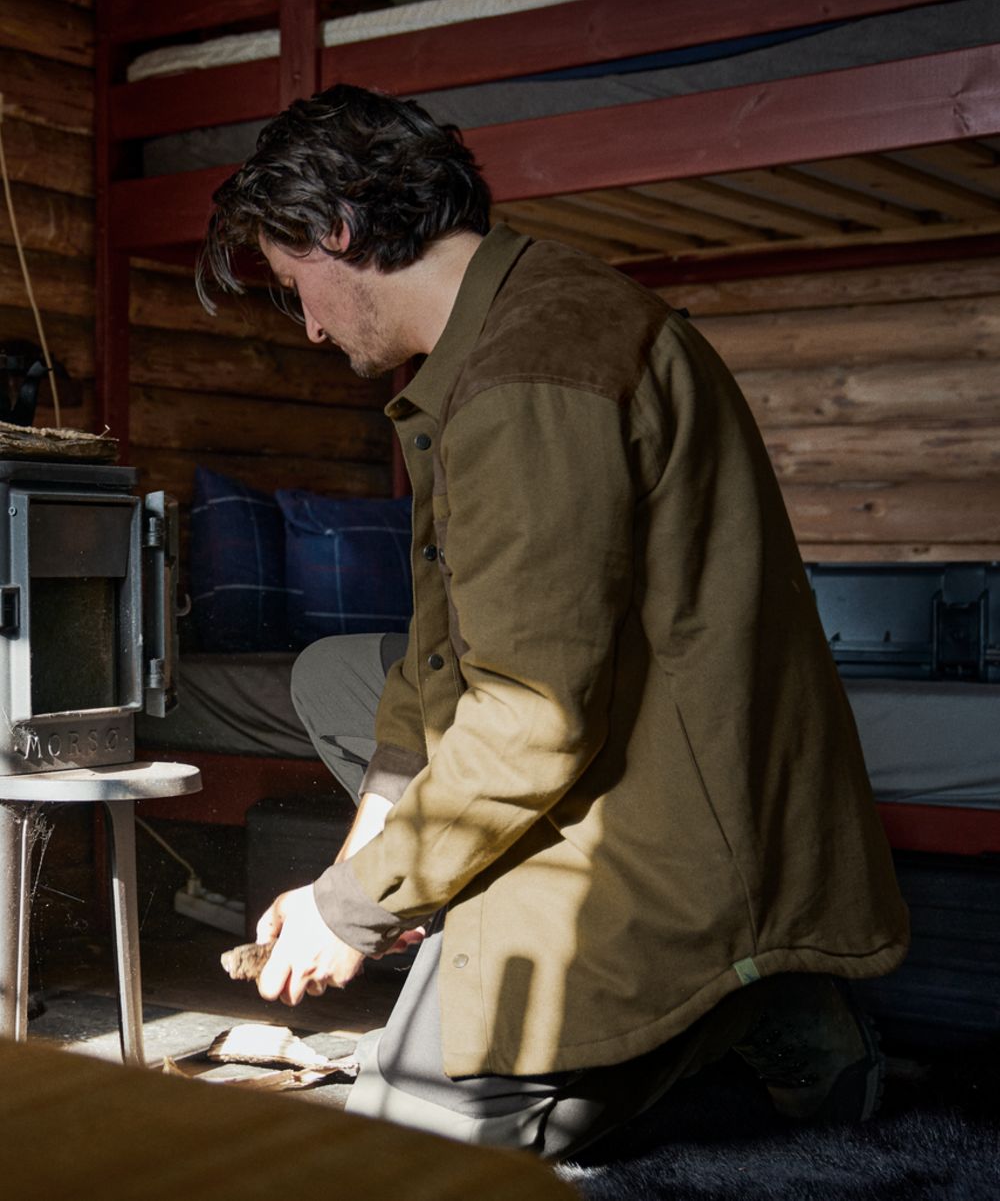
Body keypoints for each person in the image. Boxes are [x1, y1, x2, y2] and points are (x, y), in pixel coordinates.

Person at [197, 83, 909, 1158]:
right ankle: (762, 987)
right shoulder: (503, 334)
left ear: (336, 232)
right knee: (346, 673)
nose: (306, 323)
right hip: (643, 759)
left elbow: (527, 724)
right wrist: (361, 868)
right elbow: (438, 660)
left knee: (415, 1140)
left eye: (298, 284)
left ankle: (746, 987)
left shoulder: (528, 378)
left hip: (668, 826)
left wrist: (351, 909)